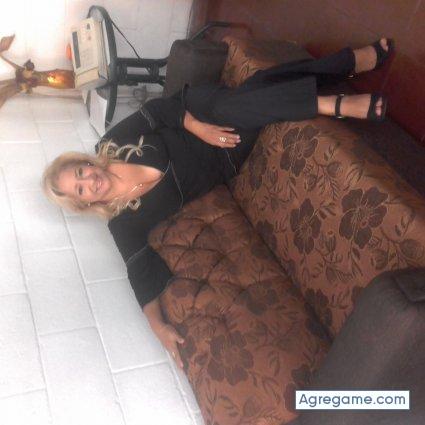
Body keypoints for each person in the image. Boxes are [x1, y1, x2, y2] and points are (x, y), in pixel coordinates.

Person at [43, 39, 394, 369]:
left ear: (84, 163)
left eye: (80, 173)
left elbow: (159, 109)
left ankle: (332, 104)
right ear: (83, 204)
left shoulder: (111, 143)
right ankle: (343, 64)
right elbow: (140, 273)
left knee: (231, 105)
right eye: (80, 190)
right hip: (223, 156)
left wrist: (199, 128)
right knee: (260, 86)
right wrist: (158, 327)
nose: (89, 182)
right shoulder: (123, 222)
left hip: (200, 114)